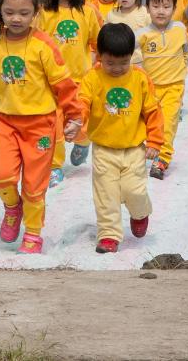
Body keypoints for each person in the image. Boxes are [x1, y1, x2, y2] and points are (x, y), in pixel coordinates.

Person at [0, 0, 84, 254]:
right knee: (1, 176)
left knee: (35, 185)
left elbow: (64, 85)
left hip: (40, 125)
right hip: (6, 121)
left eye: (24, 13)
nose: (16, 19)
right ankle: (13, 206)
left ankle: (33, 233)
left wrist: (74, 116)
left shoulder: (43, 45)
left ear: (36, 12)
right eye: (9, 12)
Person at [66, 23, 162, 254]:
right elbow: (82, 102)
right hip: (104, 149)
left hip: (134, 148)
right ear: (100, 57)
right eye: (110, 63)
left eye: (123, 62)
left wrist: (155, 141)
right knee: (106, 194)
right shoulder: (93, 77)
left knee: (134, 190)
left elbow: (152, 110)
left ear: (131, 56)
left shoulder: (139, 78)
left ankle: (140, 213)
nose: (117, 68)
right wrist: (76, 122)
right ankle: (108, 235)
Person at [38, 0, 104, 183]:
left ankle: (82, 141)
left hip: (80, 81)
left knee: (80, 121)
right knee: (53, 126)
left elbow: (98, 42)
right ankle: (55, 166)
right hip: (51, 83)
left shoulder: (88, 11)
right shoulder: (44, 13)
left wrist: (98, 65)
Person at [135, 0, 188, 181]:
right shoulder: (142, 34)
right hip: (149, 89)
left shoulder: (179, 29)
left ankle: (162, 159)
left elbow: (185, 51)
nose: (161, 11)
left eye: (166, 7)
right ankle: (142, 149)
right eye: (156, 6)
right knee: (143, 122)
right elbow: (125, 49)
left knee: (168, 124)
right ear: (147, 8)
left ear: (174, 9)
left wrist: (183, 70)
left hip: (174, 87)